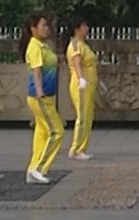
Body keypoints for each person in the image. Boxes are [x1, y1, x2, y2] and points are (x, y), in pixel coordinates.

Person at [20, 13, 64, 184]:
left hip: (47, 96)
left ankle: (33, 169)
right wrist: (39, 90)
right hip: (41, 97)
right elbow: (36, 70)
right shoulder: (35, 47)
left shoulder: (43, 46)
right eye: (43, 25)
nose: (46, 28)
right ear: (34, 28)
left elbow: (46, 65)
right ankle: (39, 168)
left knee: (42, 133)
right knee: (56, 132)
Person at [67, 16, 97, 160]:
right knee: (82, 116)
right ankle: (76, 149)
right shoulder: (75, 44)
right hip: (81, 85)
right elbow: (76, 63)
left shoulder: (84, 44)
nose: (87, 29)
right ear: (76, 29)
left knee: (88, 116)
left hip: (90, 85)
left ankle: (82, 147)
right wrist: (81, 79)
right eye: (84, 26)